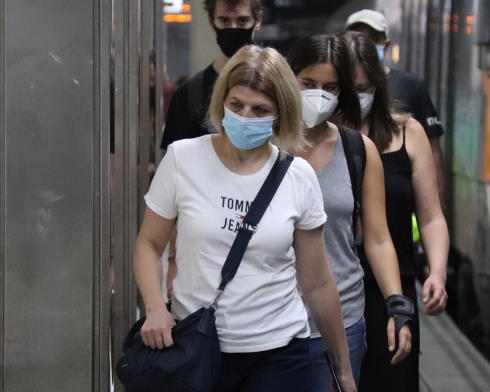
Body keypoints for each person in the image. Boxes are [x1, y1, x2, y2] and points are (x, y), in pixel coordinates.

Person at [134, 45, 356, 392]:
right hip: (197, 349)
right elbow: (148, 244)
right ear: (221, 100)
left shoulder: (297, 176)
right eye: (236, 105)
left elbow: (317, 281)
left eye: (260, 110)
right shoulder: (183, 159)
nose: (245, 116)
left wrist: (342, 368)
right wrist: (154, 308)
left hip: (280, 352)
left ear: (280, 114)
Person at [286, 33, 413, 391]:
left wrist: (396, 305)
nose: (318, 95)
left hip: (340, 322)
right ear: (288, 79)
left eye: (330, 86)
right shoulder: (264, 146)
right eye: (308, 83)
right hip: (269, 321)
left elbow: (377, 238)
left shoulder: (358, 150)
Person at [344, 31, 449, 392]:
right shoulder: (317, 139)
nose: (357, 96)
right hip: (333, 288)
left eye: (365, 87)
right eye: (348, 87)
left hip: (393, 289)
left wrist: (437, 271)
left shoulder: (409, 133)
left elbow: (431, 215)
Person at [345, 9, 446, 203]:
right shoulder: (336, 90)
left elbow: (433, 151)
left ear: (386, 45)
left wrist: (437, 202)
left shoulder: (412, 87)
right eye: (357, 38)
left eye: (372, 39)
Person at [161, 0, 264, 149]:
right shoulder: (189, 94)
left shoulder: (278, 86)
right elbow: (175, 163)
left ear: (257, 21)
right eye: (224, 21)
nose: (233, 28)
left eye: (242, 21)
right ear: (211, 22)